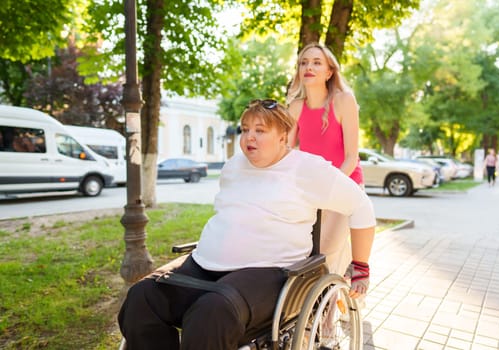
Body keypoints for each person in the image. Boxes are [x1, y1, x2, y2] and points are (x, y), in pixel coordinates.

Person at [118, 99, 376, 350]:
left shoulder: (308, 169)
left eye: (260, 130)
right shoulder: (233, 166)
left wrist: (360, 265)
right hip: (204, 264)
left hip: (271, 272)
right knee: (142, 298)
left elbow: (360, 206)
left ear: (283, 136)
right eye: (245, 129)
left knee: (211, 313)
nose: (249, 137)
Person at [286, 43, 375, 296]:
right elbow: (288, 155)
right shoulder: (295, 107)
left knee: (326, 249)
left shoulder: (344, 100)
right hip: (313, 189)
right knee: (302, 250)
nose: (309, 67)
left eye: (316, 62)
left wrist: (327, 190)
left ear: (329, 72)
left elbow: (351, 157)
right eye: (304, 62)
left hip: (344, 182)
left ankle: (326, 318)